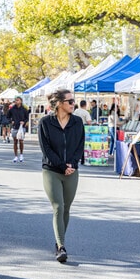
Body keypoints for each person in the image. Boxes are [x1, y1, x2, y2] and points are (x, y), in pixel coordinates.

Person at [38, 89, 85, 263]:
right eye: (70, 101)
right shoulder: (45, 123)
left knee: (66, 208)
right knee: (58, 206)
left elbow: (80, 146)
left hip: (71, 171)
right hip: (52, 171)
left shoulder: (78, 122)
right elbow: (46, 149)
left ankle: (59, 240)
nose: (73, 104)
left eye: (73, 101)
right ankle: (61, 246)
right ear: (59, 103)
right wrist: (61, 165)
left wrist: (72, 164)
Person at [8, 96, 29, 163]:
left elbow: (27, 117)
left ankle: (21, 155)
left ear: (21, 101)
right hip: (15, 127)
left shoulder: (24, 109)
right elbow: (8, 116)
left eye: (18, 100)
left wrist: (24, 122)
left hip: (21, 127)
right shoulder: (12, 109)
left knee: (21, 141)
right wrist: (11, 121)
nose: (16, 101)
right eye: (16, 100)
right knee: (15, 141)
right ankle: (15, 156)